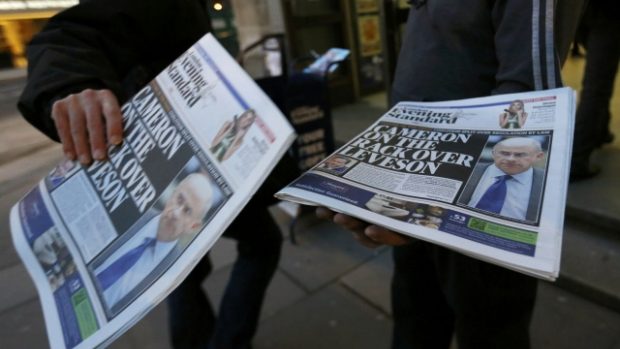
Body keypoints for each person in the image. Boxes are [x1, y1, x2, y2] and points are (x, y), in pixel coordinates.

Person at [18, 1, 290, 348]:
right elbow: (69, 34)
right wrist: (71, 84)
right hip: (171, 161)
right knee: (262, 244)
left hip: (186, 161)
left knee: (182, 270)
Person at [317, 1, 579, 348]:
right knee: (415, 315)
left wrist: (434, 207)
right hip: (413, 182)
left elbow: (526, 101)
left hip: (473, 198)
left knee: (488, 328)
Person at [95, 173, 213, 309]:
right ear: (172, 194)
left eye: (187, 211)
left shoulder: (176, 270)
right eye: (179, 200)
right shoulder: (131, 211)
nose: (176, 213)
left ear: (193, 226)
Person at [570, 0, 620, 180]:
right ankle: (577, 160)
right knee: (598, 87)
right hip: (607, 14)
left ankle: (600, 132)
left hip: (582, 12)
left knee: (598, 79)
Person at [458, 137, 545, 222]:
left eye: (520, 155)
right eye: (504, 153)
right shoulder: (468, 169)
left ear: (539, 156)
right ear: (493, 153)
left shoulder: (547, 182)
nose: (511, 159)